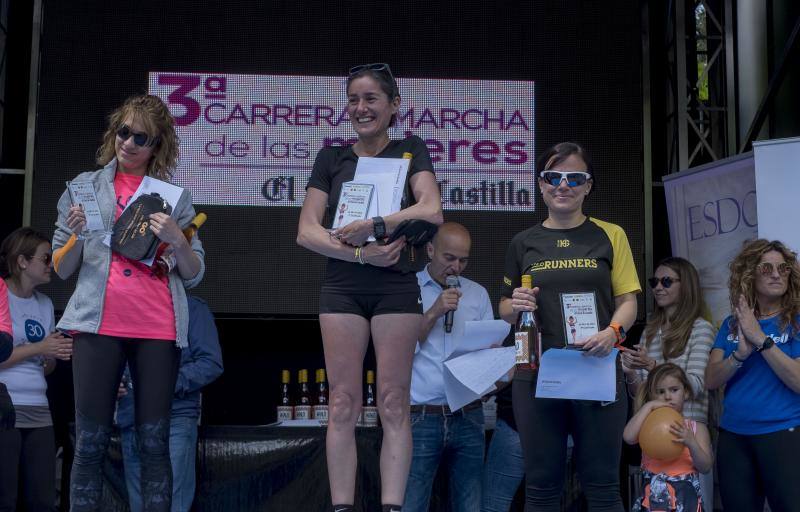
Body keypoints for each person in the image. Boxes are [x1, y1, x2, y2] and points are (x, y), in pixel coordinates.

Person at [297, 63, 442, 512]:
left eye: (371, 98)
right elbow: (306, 231)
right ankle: (342, 508)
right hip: (343, 286)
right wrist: (362, 253)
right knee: (342, 401)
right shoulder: (332, 158)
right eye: (354, 99)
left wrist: (377, 224)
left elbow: (432, 209)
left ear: (393, 105)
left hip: (396, 287)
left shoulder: (410, 149)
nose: (361, 108)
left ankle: (391, 507)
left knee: (394, 401)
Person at [52, 94, 204, 512]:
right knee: (90, 443)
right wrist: (80, 236)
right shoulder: (83, 188)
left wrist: (177, 239)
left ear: (157, 146)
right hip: (98, 326)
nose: (130, 143)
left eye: (142, 137)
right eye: (124, 132)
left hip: (157, 328)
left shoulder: (174, 198)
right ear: (113, 132)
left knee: (154, 442)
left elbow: (194, 273)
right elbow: (61, 268)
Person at [499, 142, 641, 511]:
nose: (564, 185)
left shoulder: (611, 234)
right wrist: (514, 305)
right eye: (553, 177)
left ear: (588, 186)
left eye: (574, 177)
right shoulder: (522, 242)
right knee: (542, 488)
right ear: (541, 184)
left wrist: (612, 332)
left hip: (597, 369)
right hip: (536, 372)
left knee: (604, 488)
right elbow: (503, 307)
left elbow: (629, 302)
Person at [403, 222, 493, 511]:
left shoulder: (477, 294)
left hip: (468, 416)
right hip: (420, 417)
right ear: (430, 250)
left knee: (470, 504)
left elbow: (487, 352)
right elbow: (398, 350)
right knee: (412, 502)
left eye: (463, 260)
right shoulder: (406, 288)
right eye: (449, 258)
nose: (456, 267)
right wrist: (433, 312)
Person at [705, 239, 800, 511]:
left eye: (783, 269)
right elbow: (711, 379)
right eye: (767, 268)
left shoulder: (796, 321)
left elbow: (798, 380)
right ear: (750, 274)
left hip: (783, 432)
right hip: (734, 436)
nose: (776, 274)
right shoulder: (732, 324)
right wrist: (739, 355)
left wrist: (761, 340)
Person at [621, 257, 715, 506]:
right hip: (653, 433)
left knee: (691, 502)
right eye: (654, 282)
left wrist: (652, 366)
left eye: (666, 281)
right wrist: (631, 372)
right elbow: (640, 394)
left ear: (687, 286)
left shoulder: (701, 328)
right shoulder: (650, 330)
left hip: (689, 429)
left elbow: (696, 384)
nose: (658, 288)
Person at [117, 295, 223, 512]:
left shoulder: (192, 308)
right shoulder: (125, 306)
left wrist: (164, 382)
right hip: (132, 417)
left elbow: (210, 363)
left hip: (173, 418)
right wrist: (111, 379)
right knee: (139, 505)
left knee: (172, 504)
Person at [0, 227, 73, 512]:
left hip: (39, 409)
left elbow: (46, 366)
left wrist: (52, 355)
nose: (51, 264)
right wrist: (39, 349)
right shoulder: (1, 295)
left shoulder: (45, 304)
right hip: (6, 406)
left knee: (42, 499)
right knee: (5, 497)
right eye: (45, 258)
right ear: (22, 262)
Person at [623, 363, 712, 511]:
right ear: (652, 396)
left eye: (674, 390)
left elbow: (706, 467)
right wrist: (648, 407)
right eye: (660, 392)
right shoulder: (647, 424)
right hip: (653, 502)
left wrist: (691, 443)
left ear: (686, 392)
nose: (667, 396)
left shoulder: (696, 428)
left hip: (686, 501)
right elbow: (628, 437)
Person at [481, 385, 525, 512]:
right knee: (544, 500)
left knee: (494, 504)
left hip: (516, 420)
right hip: (560, 424)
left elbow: (517, 367)